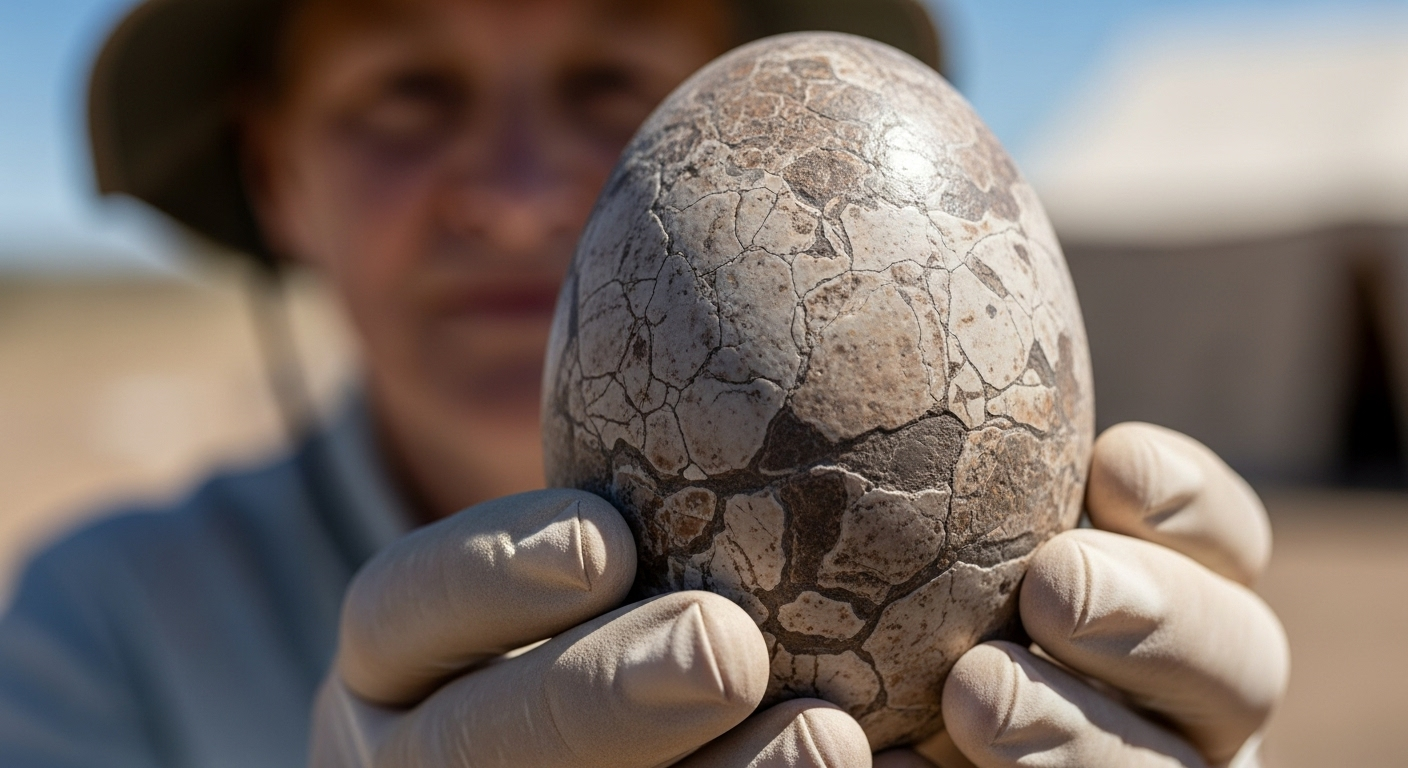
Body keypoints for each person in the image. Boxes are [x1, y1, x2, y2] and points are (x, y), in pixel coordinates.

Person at [0, 0, 1289, 766]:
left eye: (611, 82)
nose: (510, 200)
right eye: (406, 92)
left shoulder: (997, 618)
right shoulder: (104, 635)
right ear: (274, 171)